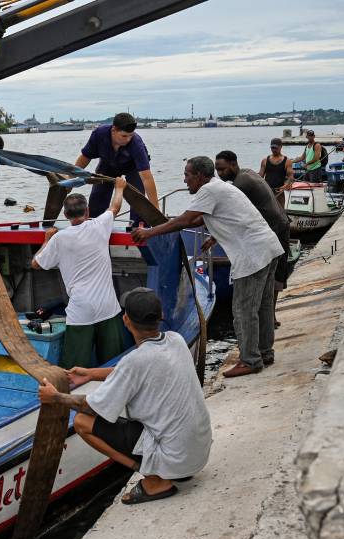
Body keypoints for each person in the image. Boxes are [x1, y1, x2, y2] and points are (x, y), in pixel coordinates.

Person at [37, 287, 212, 505]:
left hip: (175, 458)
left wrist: (55, 397)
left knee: (82, 422)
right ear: (161, 317)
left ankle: (153, 477)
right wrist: (90, 374)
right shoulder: (175, 340)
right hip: (197, 454)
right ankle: (162, 469)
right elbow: (134, 372)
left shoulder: (135, 361)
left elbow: (92, 406)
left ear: (126, 320)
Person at [132, 157, 283, 377]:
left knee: (243, 310)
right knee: (263, 306)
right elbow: (209, 219)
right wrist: (214, 237)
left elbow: (185, 220)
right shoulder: (220, 188)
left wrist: (149, 232)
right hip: (268, 247)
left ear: (200, 176)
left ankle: (250, 360)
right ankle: (265, 352)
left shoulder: (208, 191)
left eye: (187, 175)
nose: (184, 180)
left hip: (252, 255)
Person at [32, 178, 127, 369]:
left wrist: (46, 240)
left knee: (75, 368)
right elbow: (115, 207)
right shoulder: (100, 225)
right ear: (88, 212)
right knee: (113, 365)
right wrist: (119, 187)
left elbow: (36, 263)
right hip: (108, 306)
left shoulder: (59, 238)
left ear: (66, 215)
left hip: (80, 309)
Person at [215, 150, 291, 327]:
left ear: (233, 164)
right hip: (280, 225)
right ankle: (269, 317)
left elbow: (227, 213)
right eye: (217, 170)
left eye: (223, 169)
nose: (219, 174)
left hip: (275, 230)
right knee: (275, 272)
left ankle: (268, 317)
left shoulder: (240, 184)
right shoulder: (248, 173)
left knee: (272, 273)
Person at [75, 112, 159, 222]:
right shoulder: (99, 134)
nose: (128, 139)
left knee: (137, 197)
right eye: (124, 136)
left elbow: (147, 178)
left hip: (133, 168)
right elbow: (85, 157)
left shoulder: (136, 143)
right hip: (107, 165)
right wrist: (72, 177)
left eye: (131, 135)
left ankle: (137, 227)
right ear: (113, 130)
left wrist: (156, 210)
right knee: (97, 198)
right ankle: (95, 225)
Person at [259, 137, 295, 209]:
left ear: (281, 147)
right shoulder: (265, 160)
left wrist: (285, 186)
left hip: (279, 192)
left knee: (281, 212)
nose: (274, 150)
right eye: (272, 148)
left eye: (276, 148)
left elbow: (291, 178)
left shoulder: (287, 161)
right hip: (268, 191)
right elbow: (260, 177)